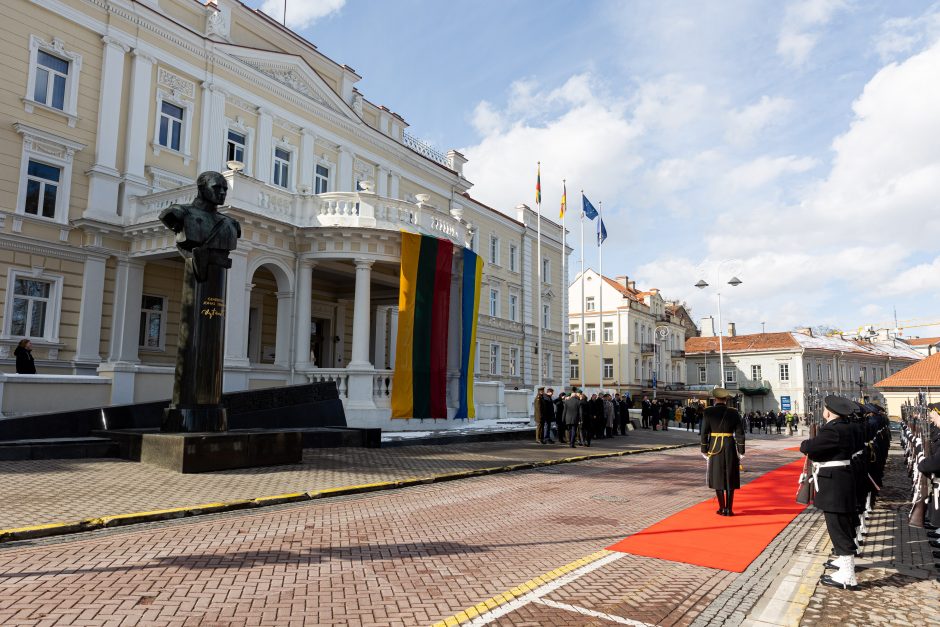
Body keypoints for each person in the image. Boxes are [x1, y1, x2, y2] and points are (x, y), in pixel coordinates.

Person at [800, 395, 861, 590]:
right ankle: (845, 568)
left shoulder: (833, 430)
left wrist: (808, 445)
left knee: (838, 527)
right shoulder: (847, 427)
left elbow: (810, 447)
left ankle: (848, 576)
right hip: (843, 479)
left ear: (828, 412)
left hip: (835, 484)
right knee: (843, 526)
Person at [701, 388, 745, 516]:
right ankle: (729, 509)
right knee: (730, 476)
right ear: (726, 399)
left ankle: (722, 508)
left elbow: (704, 432)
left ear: (715, 399)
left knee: (717, 476)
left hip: (714, 446)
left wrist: (704, 449)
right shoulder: (733, 412)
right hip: (730, 445)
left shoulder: (708, 412)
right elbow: (740, 433)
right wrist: (741, 450)